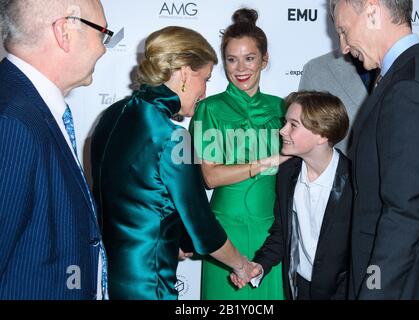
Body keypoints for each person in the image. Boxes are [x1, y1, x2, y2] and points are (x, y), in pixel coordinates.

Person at [90, 26, 253, 300]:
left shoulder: (112, 115)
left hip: (106, 277)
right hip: (148, 283)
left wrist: (170, 238)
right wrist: (242, 265)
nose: (205, 91)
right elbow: (203, 228)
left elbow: (134, 200)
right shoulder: (172, 137)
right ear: (187, 73)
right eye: (206, 78)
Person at [331, 0, 419, 299]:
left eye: (344, 31)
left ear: (372, 11)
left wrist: (374, 291)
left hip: (405, 285)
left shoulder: (410, 87)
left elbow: (404, 214)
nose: (343, 47)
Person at [0, 0, 110, 300]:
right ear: (65, 31)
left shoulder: (29, 108)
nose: (103, 47)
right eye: (102, 32)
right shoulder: (11, 120)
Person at [190, 8, 287, 300]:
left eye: (250, 58)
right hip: (225, 233)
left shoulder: (282, 108)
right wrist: (262, 164)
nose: (240, 68)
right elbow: (210, 177)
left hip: (271, 232)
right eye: (231, 60)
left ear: (264, 59)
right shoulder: (209, 109)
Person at [231, 91, 353, 300]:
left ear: (322, 134)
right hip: (299, 289)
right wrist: (259, 265)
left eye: (293, 125)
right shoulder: (288, 173)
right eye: (285, 122)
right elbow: (282, 233)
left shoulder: (356, 181)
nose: (282, 131)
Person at [299, 49, 375, 154]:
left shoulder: (402, 64)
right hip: (345, 167)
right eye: (340, 33)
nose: (343, 44)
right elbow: (306, 137)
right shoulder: (317, 69)